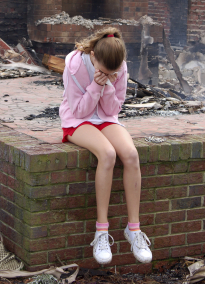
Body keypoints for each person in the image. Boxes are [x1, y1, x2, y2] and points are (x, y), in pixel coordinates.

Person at [59, 27, 152, 265]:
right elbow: (79, 110)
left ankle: (134, 229)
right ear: (93, 57)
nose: (110, 74)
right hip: (77, 120)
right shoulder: (74, 64)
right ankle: (101, 231)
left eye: (114, 72)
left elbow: (113, 110)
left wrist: (108, 85)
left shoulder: (119, 67)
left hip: (106, 119)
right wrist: (96, 86)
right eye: (104, 71)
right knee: (108, 154)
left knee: (131, 155)